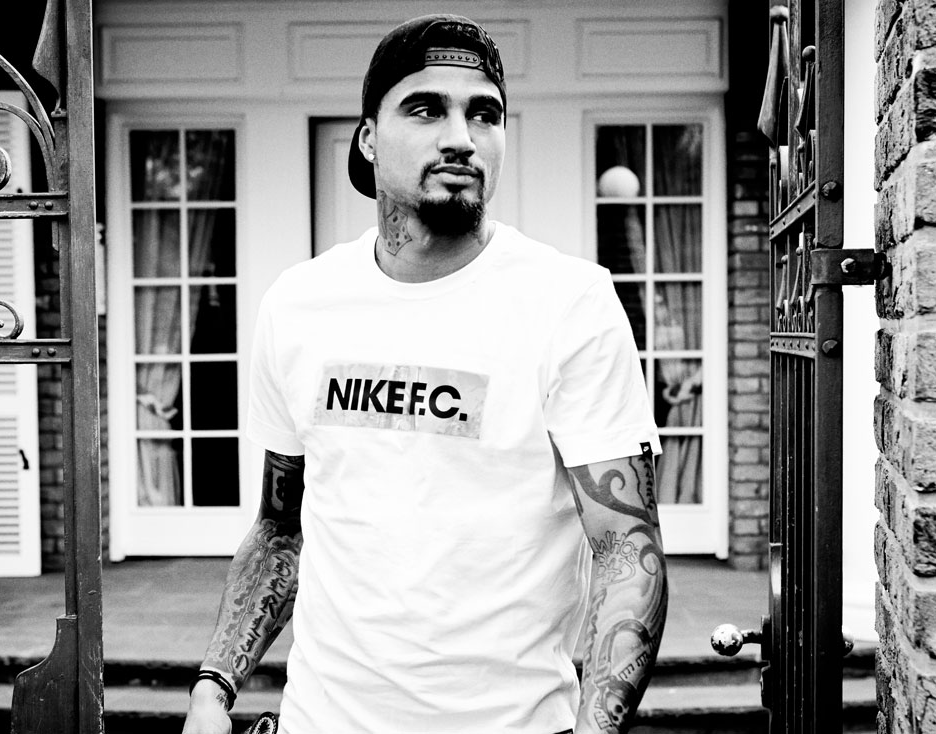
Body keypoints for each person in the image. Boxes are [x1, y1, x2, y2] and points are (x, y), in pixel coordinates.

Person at [183, 13, 667, 734]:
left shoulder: (569, 302)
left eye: (485, 114)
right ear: (368, 139)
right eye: (425, 109)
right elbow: (281, 527)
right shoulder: (299, 303)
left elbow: (626, 551)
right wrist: (213, 687)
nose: (462, 137)